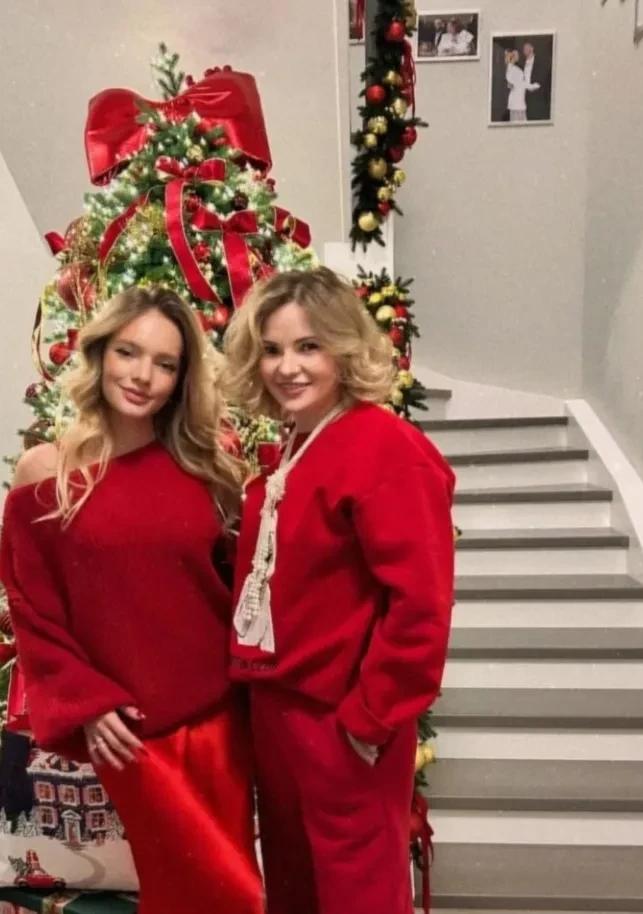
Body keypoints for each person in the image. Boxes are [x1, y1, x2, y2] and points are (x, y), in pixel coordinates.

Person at [0, 286, 262, 914]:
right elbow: (32, 608)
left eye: (165, 363)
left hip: (221, 717)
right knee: (229, 891)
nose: (143, 375)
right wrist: (85, 702)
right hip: (131, 730)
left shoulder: (206, 470)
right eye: (128, 352)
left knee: (202, 883)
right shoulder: (46, 472)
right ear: (100, 353)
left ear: (181, 379)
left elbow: (240, 592)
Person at [223, 267, 456, 914]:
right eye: (272, 350)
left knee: (357, 892)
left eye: (308, 346)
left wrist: (369, 719)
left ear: (344, 348)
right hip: (280, 714)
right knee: (295, 886)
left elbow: (421, 605)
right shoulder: (299, 443)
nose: (287, 367)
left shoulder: (385, 447)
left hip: (340, 719)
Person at [522, 40, 551, 121]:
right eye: (523, 49)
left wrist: (531, 87)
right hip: (525, 97)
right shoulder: (522, 63)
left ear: (532, 48)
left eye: (526, 48)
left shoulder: (540, 61)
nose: (524, 50)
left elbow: (542, 78)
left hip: (537, 97)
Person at [505, 49, 529, 123]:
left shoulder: (517, 68)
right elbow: (510, 84)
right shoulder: (511, 69)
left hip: (520, 101)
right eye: (512, 55)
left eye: (515, 55)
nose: (515, 56)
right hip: (516, 103)